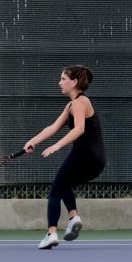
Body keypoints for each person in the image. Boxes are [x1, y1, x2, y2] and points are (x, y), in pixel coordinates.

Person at [23, 65, 106, 249]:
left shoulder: (80, 102)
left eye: (63, 79)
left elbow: (79, 129)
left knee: (55, 190)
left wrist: (57, 146)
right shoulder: (71, 105)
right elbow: (53, 127)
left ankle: (52, 233)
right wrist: (33, 141)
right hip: (96, 160)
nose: (59, 83)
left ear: (74, 82)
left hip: (85, 155)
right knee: (63, 184)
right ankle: (73, 217)